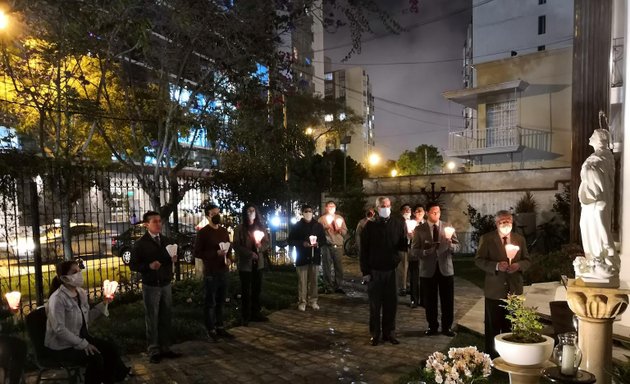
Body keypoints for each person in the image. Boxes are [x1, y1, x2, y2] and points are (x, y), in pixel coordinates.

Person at [45, 260, 130, 383]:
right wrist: (83, 344)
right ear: (64, 278)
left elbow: (86, 318)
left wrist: (104, 303)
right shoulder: (57, 299)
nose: (79, 274)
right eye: (74, 272)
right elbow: (59, 329)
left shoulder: (80, 293)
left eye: (79, 271)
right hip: (63, 346)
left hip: (81, 338)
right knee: (96, 358)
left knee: (110, 348)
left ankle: (109, 380)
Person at [475, 210, 530, 357]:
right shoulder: (487, 239)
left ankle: (510, 355)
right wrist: (496, 266)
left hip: (514, 288)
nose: (506, 224)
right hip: (495, 289)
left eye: (509, 221)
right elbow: (479, 260)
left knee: (511, 324)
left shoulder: (519, 239)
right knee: (493, 325)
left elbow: (527, 260)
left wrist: (518, 266)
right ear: (496, 223)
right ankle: (491, 356)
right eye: (502, 221)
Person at [130, 211, 181, 363]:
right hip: (151, 285)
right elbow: (133, 265)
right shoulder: (140, 244)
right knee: (152, 317)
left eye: (160, 221)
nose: (159, 224)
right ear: (146, 224)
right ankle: (153, 349)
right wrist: (148, 266)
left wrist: (173, 259)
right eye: (155, 221)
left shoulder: (166, 241)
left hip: (165, 283)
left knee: (166, 315)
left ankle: (166, 347)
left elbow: (170, 257)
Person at [360, 196, 407, 346]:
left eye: (387, 205)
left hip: (391, 270)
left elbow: (401, 245)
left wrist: (409, 239)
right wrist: (365, 272)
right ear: (376, 208)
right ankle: (375, 333)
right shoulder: (370, 226)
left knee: (391, 304)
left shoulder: (398, 224)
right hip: (374, 271)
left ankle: (389, 332)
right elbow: (364, 251)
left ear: (391, 206)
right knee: (375, 305)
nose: (385, 208)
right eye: (382, 206)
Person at [575, 128, 619, 280]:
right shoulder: (596, 156)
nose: (589, 137)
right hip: (589, 199)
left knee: (599, 226)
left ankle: (603, 256)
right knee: (585, 226)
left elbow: (603, 177)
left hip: (599, 199)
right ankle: (592, 258)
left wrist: (590, 168)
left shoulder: (605, 156)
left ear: (600, 139)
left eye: (592, 136)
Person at [415, 202, 459, 337]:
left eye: (438, 212)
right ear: (427, 213)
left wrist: (451, 246)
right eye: (434, 212)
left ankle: (447, 327)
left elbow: (458, 246)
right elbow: (414, 250)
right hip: (428, 270)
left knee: (447, 300)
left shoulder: (447, 227)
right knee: (430, 300)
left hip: (445, 269)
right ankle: (432, 326)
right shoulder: (420, 229)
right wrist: (425, 252)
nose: (436, 214)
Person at [194, 204, 234, 341]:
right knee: (210, 302)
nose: (217, 215)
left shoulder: (223, 231)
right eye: (213, 213)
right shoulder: (203, 232)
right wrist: (214, 253)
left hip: (223, 270)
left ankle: (220, 327)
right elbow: (197, 252)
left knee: (221, 301)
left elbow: (228, 248)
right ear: (207, 216)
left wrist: (229, 259)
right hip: (211, 272)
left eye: (218, 213)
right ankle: (210, 329)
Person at [234, 204, 270, 326]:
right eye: (248, 211)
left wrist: (260, 249)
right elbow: (237, 245)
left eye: (253, 210)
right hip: (246, 264)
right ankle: (245, 315)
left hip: (258, 263)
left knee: (256, 289)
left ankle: (256, 313)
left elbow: (266, 242)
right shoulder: (239, 228)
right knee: (246, 290)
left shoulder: (260, 227)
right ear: (245, 212)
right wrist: (250, 254)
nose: (251, 212)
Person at [288, 204, 326, 311]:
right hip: (302, 257)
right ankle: (302, 301)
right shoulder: (297, 226)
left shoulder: (318, 226)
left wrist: (318, 243)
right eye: (306, 211)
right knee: (302, 281)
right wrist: (302, 243)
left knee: (314, 281)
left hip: (315, 257)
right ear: (302, 213)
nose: (308, 213)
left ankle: (313, 300)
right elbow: (290, 240)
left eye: (310, 211)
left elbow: (323, 240)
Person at [318, 201, 348, 294]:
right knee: (326, 267)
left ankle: (339, 286)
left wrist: (340, 230)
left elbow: (345, 232)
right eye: (330, 206)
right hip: (326, 246)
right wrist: (324, 229)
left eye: (333, 206)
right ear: (326, 208)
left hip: (338, 245)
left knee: (339, 267)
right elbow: (318, 233)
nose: (332, 208)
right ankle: (328, 286)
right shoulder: (321, 219)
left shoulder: (339, 218)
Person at [408, 204, 425, 308]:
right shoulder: (409, 224)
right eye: (417, 211)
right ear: (414, 213)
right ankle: (414, 299)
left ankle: (424, 300)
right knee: (414, 277)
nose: (419, 213)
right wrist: (410, 237)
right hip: (414, 253)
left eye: (421, 211)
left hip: (424, 254)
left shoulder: (426, 224)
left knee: (424, 277)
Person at [396, 203, 412, 297]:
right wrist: (405, 236)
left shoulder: (411, 221)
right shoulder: (399, 221)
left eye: (409, 209)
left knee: (409, 268)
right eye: (406, 209)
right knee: (403, 268)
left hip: (410, 247)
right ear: (401, 211)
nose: (408, 211)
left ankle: (408, 285)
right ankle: (402, 287)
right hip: (402, 247)